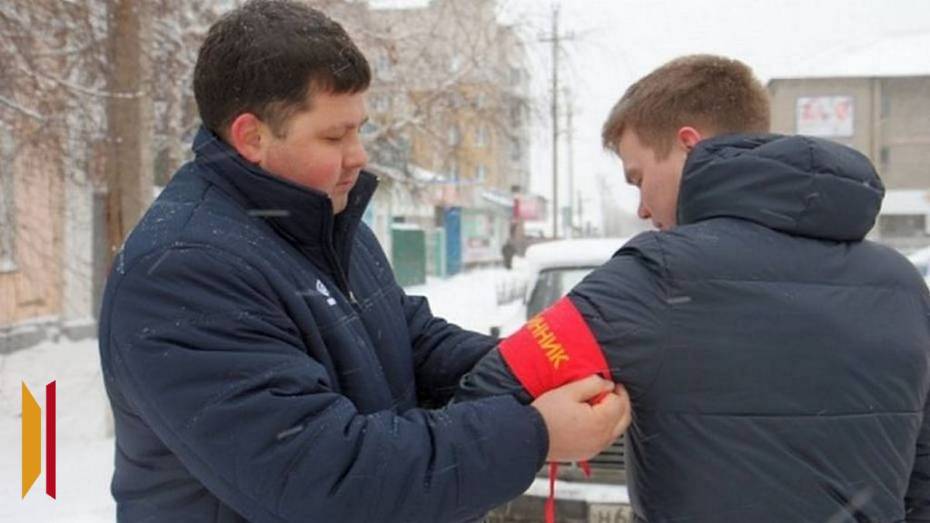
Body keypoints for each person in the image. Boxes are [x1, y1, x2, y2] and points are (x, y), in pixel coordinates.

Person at [96, 2, 630, 522]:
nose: (359, 155)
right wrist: (534, 434)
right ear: (252, 137)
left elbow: (409, 342)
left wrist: (542, 368)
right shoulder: (179, 271)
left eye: (359, 129)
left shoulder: (321, 222)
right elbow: (326, 477)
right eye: (334, 135)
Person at [458, 54, 930, 522]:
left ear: (688, 144)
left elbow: (490, 392)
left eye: (638, 178)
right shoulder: (904, 286)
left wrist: (542, 432)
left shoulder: (657, 275)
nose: (642, 209)